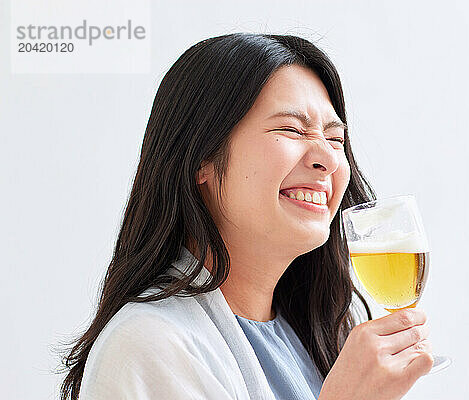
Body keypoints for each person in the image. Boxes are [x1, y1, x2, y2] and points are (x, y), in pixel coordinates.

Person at [58, 32, 434, 400]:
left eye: (335, 139)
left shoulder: (317, 333)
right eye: (291, 129)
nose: (329, 158)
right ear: (200, 159)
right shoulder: (148, 343)